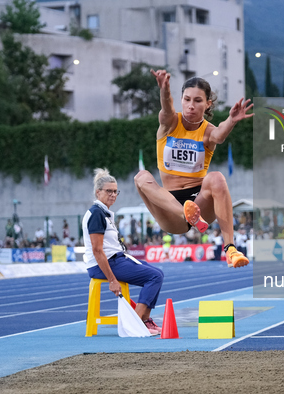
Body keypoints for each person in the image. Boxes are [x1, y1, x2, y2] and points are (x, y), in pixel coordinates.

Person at [134, 70, 252, 268]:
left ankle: (230, 248)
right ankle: (186, 213)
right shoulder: (170, 123)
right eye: (187, 99)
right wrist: (164, 90)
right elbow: (167, 109)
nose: (191, 105)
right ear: (180, 100)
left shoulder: (207, 132)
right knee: (141, 176)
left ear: (208, 104)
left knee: (216, 177)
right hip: (172, 212)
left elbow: (220, 135)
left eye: (198, 100)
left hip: (200, 203)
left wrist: (231, 120)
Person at [83, 168, 164, 336]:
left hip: (116, 259)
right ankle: (136, 322)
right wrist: (112, 280)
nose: (113, 195)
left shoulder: (104, 213)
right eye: (109, 191)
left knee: (157, 273)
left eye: (115, 191)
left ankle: (144, 321)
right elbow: (98, 251)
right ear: (98, 193)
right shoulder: (96, 214)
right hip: (104, 264)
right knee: (154, 277)